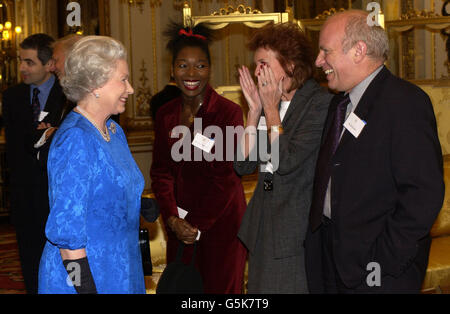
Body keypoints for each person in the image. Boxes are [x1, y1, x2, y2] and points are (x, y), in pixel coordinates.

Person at [305, 10, 445, 293]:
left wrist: (381, 261)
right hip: (333, 260)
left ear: (359, 50)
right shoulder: (340, 104)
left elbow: (423, 196)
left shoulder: (406, 103)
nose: (319, 61)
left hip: (378, 273)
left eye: (325, 51)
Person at [38, 36, 145, 294]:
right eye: (123, 79)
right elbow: (67, 236)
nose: (130, 89)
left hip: (120, 268)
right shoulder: (76, 139)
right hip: (85, 278)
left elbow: (105, 187)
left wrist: (138, 202)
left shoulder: (113, 130)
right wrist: (85, 289)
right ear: (95, 84)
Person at [233, 22, 332, 293]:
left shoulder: (319, 103)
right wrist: (254, 113)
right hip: (261, 228)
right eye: (255, 65)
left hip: (291, 234)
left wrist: (270, 110)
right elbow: (243, 164)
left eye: (263, 64)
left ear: (289, 65)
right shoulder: (269, 102)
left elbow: (285, 161)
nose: (256, 72)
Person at [150, 22, 247, 293]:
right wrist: (172, 219)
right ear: (172, 70)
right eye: (183, 65)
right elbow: (160, 172)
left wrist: (193, 226)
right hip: (178, 225)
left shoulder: (227, 113)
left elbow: (226, 178)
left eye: (200, 66)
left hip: (220, 228)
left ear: (210, 69)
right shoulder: (165, 114)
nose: (191, 73)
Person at [2, 33, 65, 294]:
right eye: (20, 61)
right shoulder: (12, 96)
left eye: (29, 62)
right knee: (29, 262)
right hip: (22, 195)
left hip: (55, 195)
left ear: (49, 64)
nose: (22, 69)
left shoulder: (67, 95)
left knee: (60, 263)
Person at [33, 34, 83, 168]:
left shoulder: (94, 95)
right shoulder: (58, 90)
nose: (51, 67)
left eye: (55, 60)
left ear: (72, 59)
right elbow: (35, 132)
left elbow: (77, 143)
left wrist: (52, 132)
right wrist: (49, 132)